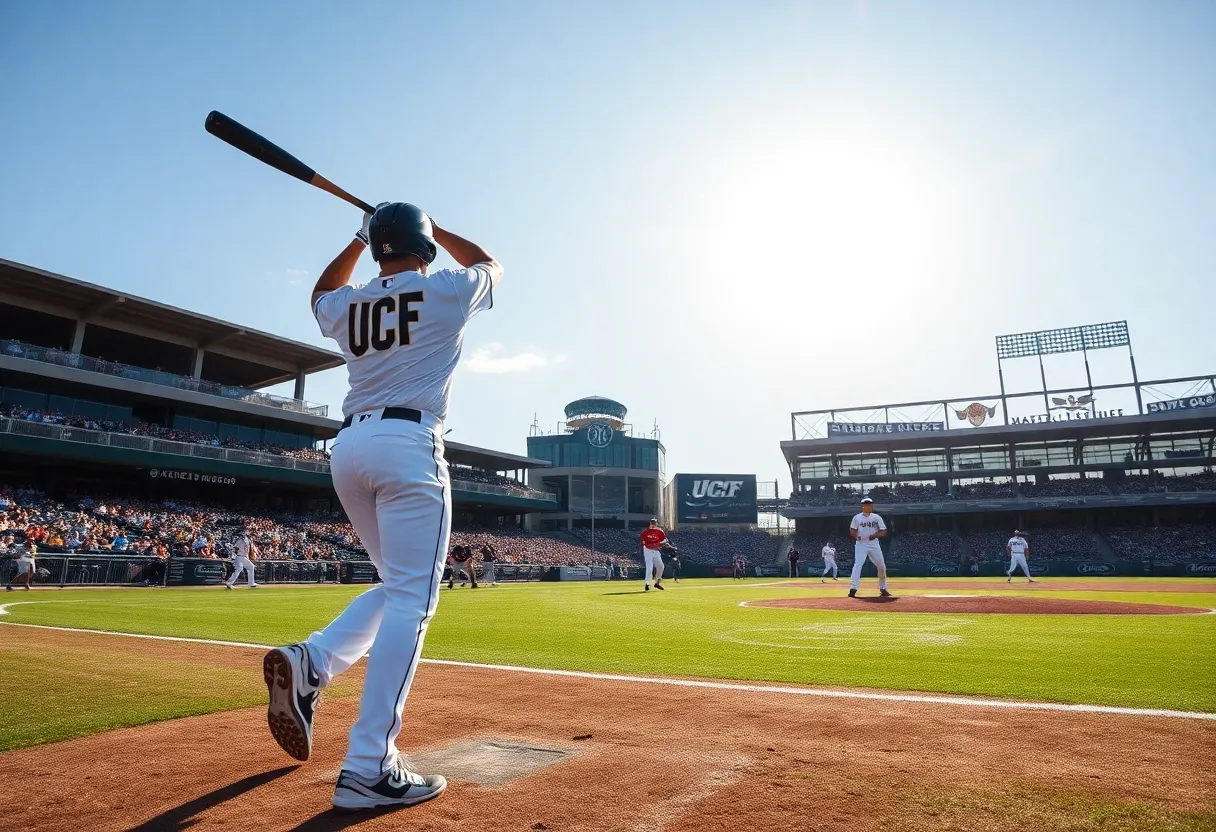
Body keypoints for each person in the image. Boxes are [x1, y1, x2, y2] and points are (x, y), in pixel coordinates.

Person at [262, 202, 500, 811]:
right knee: (415, 603)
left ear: (375, 246)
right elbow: (491, 263)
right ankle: (369, 765)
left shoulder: (350, 302)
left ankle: (312, 661)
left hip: (350, 447)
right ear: (425, 247)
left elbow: (320, 292)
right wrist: (438, 228)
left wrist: (356, 233)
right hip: (410, 444)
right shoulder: (446, 288)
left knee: (398, 587)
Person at [848, 497, 889, 598]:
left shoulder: (876, 517)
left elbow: (883, 530)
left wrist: (874, 535)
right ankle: (853, 588)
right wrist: (856, 536)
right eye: (866, 505)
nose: (868, 506)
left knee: (881, 565)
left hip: (874, 544)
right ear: (862, 506)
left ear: (872, 506)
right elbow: (853, 529)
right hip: (861, 544)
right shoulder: (857, 517)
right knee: (858, 565)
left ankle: (883, 588)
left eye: (869, 505)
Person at [639, 519, 668, 591]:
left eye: (654, 523)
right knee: (649, 567)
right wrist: (653, 544)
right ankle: (647, 583)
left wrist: (661, 544)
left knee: (661, 566)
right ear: (650, 523)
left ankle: (657, 583)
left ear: (656, 524)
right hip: (648, 550)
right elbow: (644, 542)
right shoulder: (645, 532)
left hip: (656, 550)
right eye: (652, 523)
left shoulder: (660, 531)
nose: (653, 524)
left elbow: (664, 540)